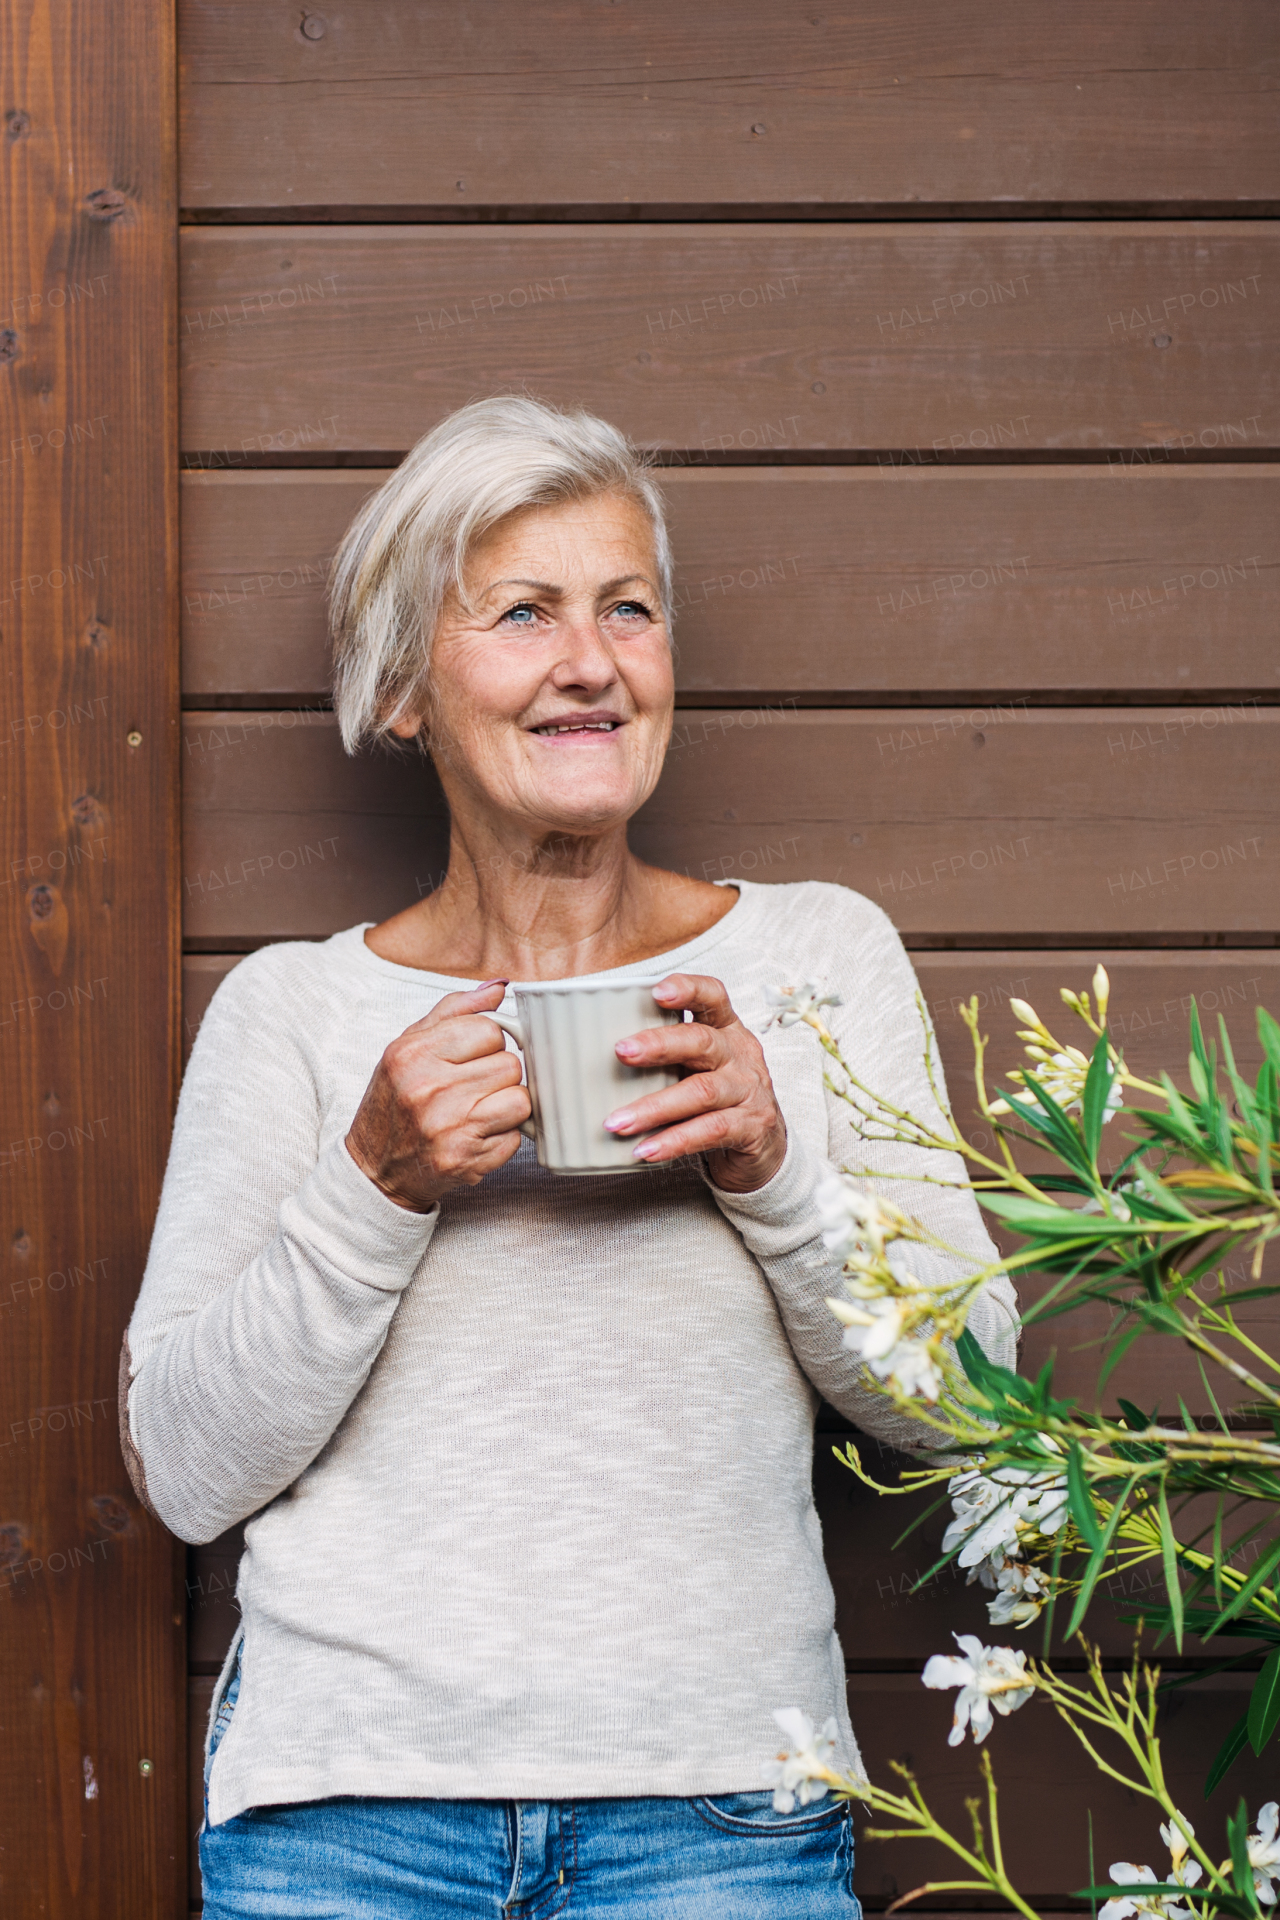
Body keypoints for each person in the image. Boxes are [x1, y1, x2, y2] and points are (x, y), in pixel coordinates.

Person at [121, 396, 1018, 1918]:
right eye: (522, 613)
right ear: (405, 689)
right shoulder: (295, 1011)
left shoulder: (815, 955)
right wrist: (374, 1187)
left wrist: (774, 1172)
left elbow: (969, 1406)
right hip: (348, 1824)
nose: (591, 662)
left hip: (724, 1814)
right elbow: (186, 1473)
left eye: (627, 610)